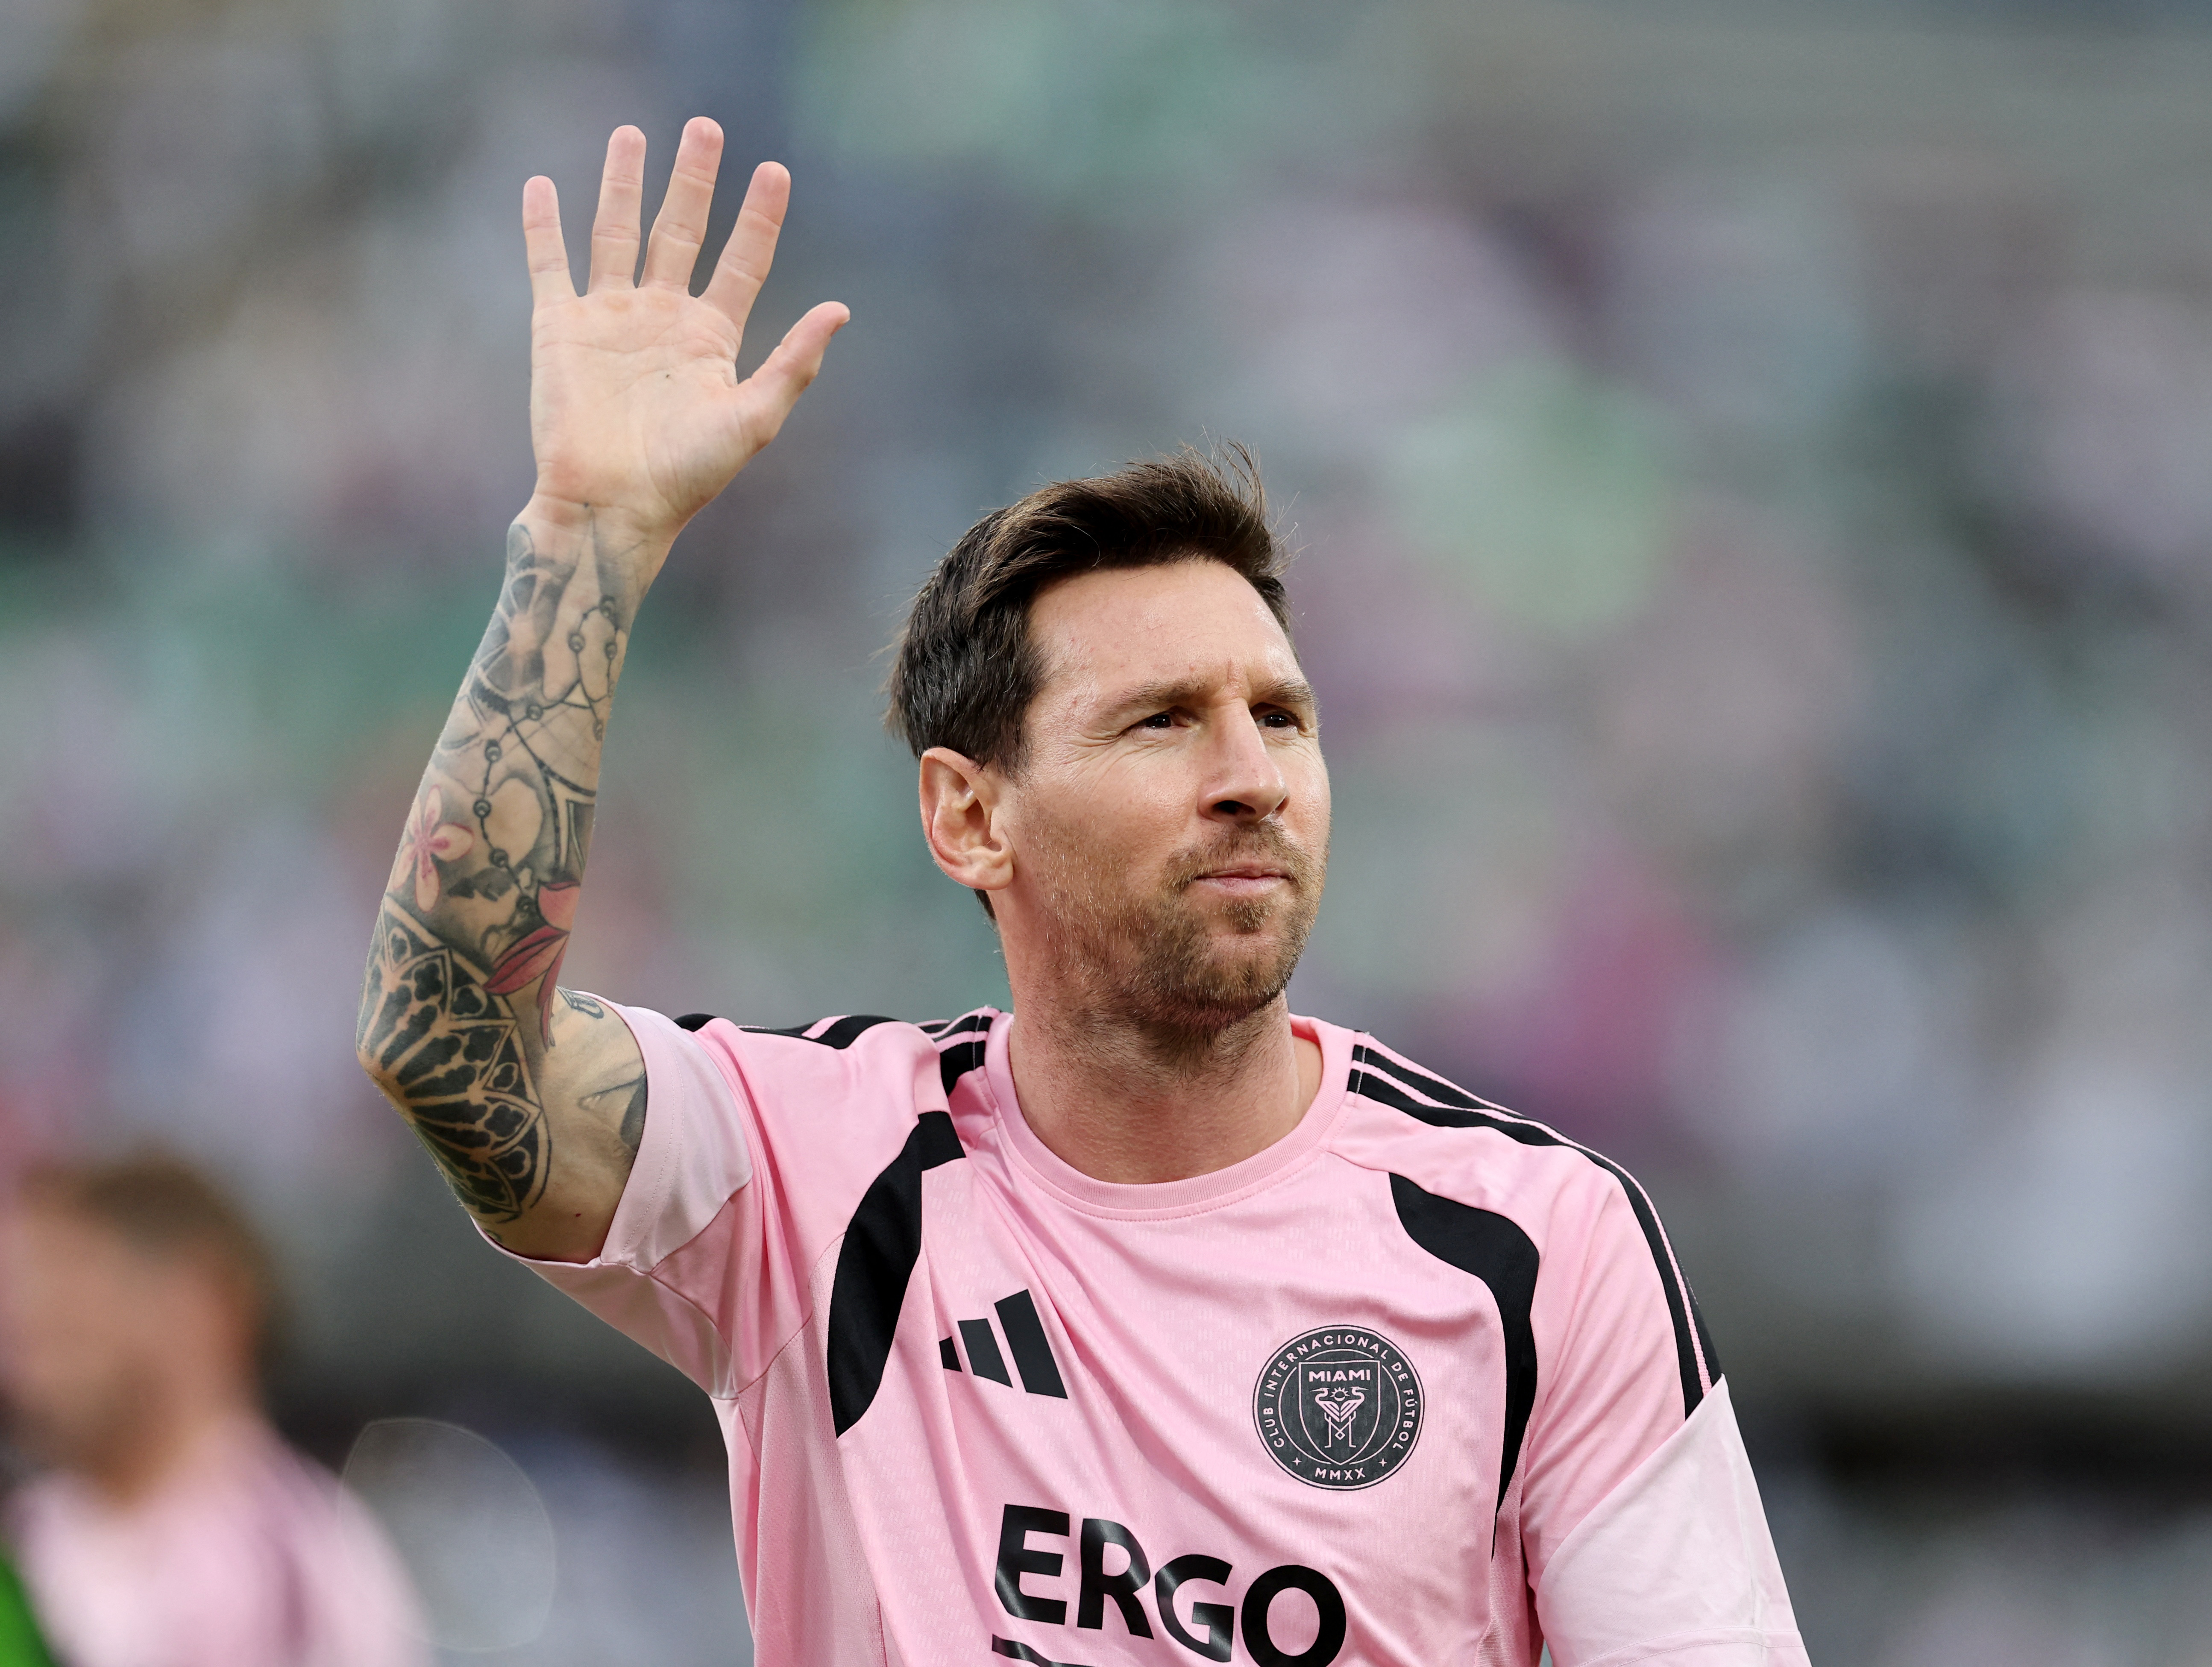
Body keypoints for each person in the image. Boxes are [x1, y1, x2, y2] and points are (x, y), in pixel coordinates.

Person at [355, 117, 1808, 1667]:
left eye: (1282, 716)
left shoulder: (1537, 1245)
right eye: (1161, 720)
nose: (1250, 774)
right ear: (968, 815)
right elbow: (448, 1041)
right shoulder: (817, 1173)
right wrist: (584, 538)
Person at [0, 1156, 425, 1667]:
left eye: (69, 1292)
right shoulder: (34, 1529)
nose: (29, 1346)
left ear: (201, 1303)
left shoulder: (287, 1570)